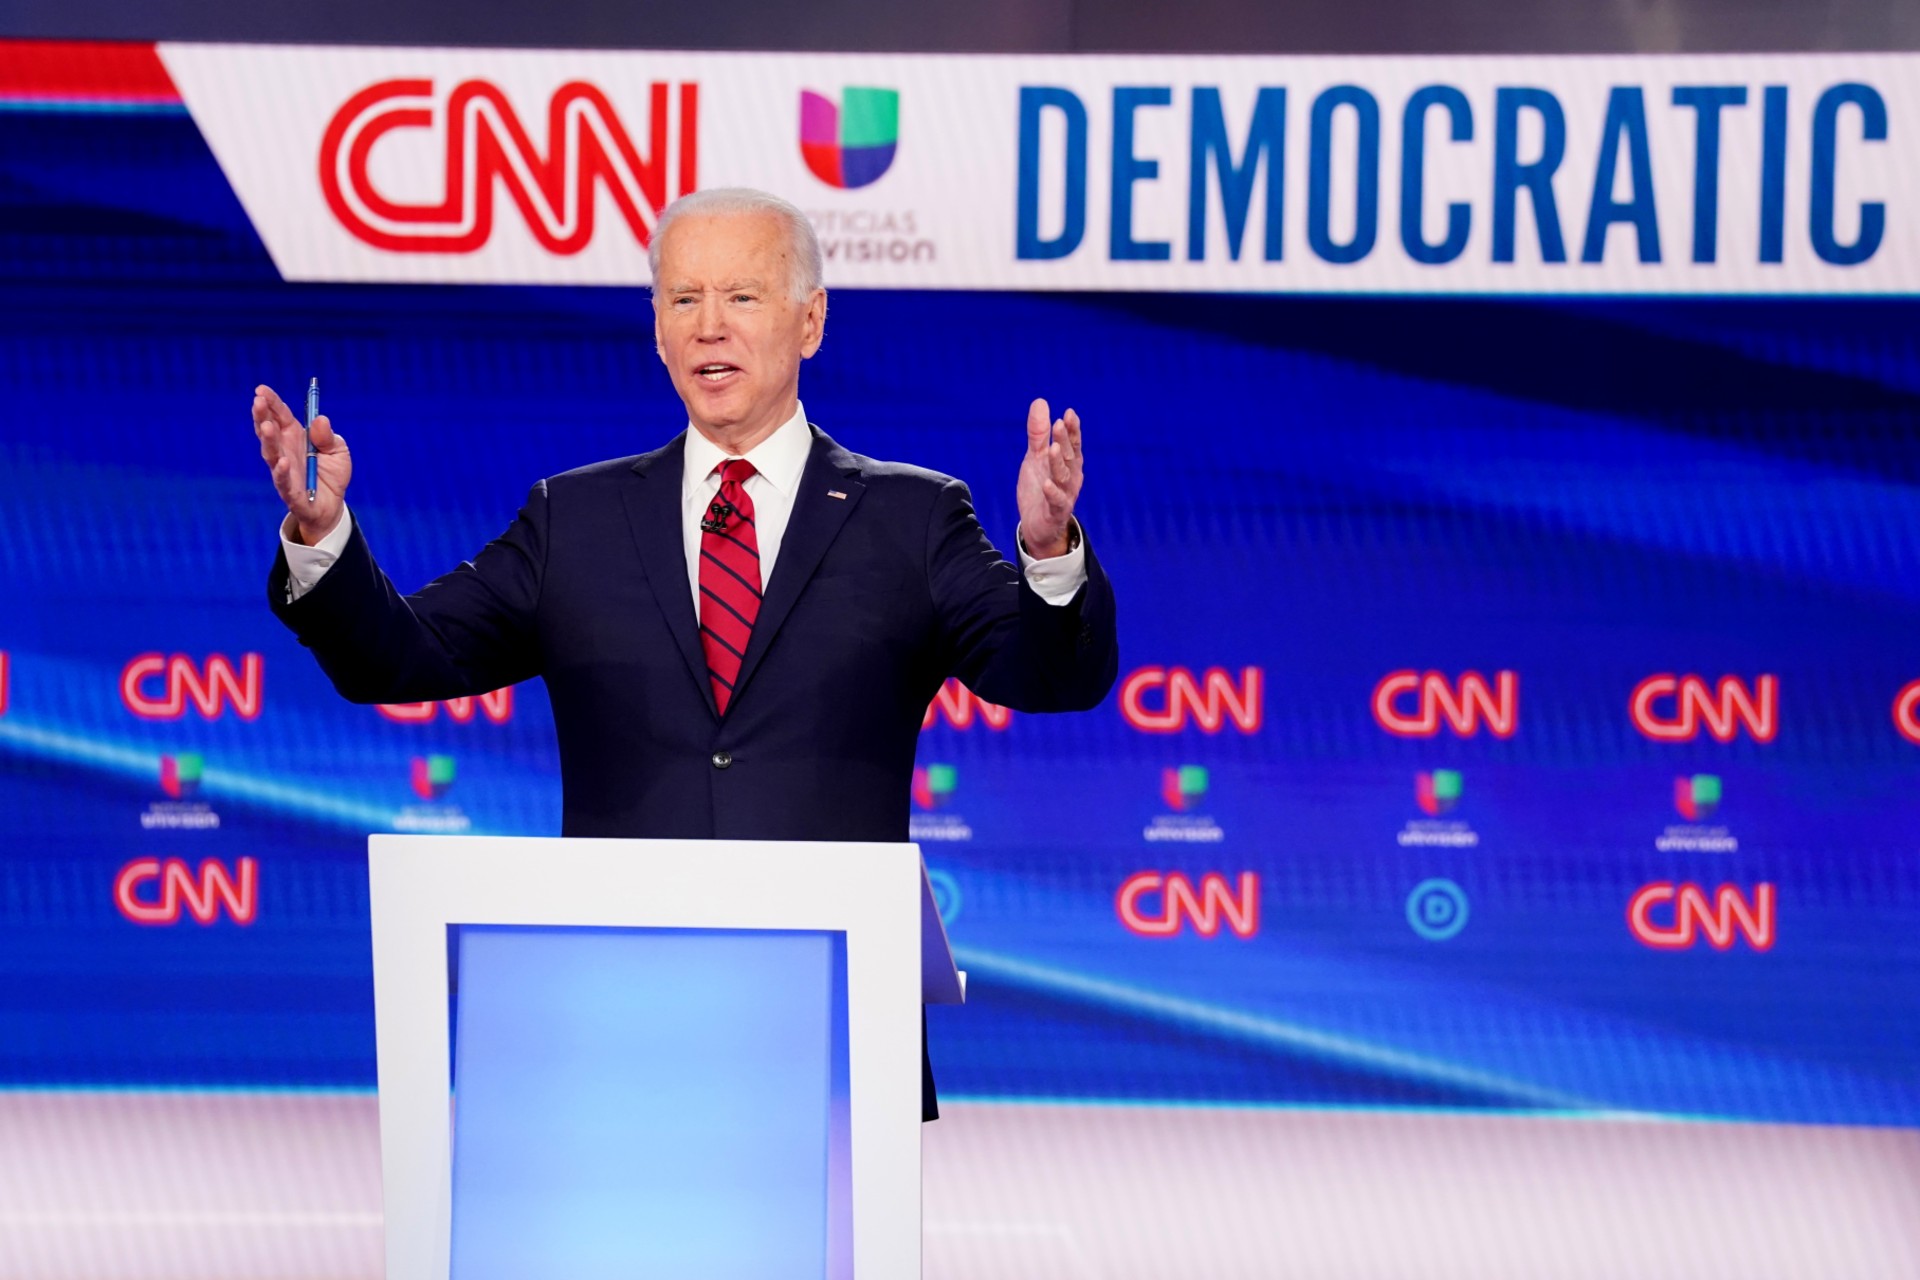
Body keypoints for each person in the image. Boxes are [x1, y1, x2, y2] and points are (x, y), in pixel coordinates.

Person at [252, 187, 1119, 1119]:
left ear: (810, 320)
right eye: (683, 300)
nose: (711, 328)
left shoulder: (911, 518)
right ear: (657, 331)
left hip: (830, 1038)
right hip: (617, 1032)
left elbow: (1049, 676)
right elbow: (401, 657)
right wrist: (325, 533)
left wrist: (1046, 549)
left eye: (743, 298)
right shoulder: (574, 519)